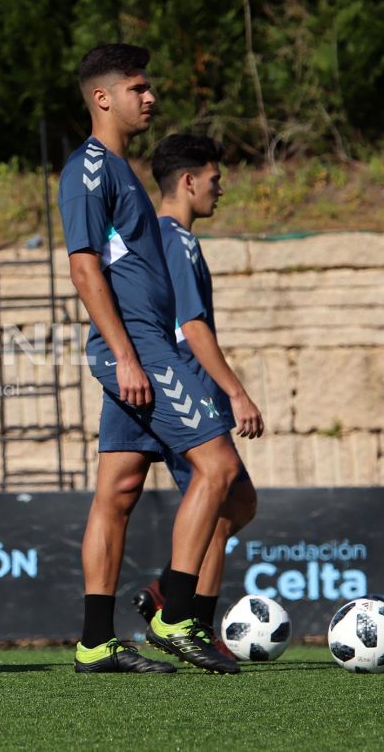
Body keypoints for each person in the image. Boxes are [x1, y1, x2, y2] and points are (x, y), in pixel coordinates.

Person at [58, 45, 242, 674]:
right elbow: (84, 271)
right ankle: (175, 614)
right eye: (138, 88)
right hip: (138, 349)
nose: (150, 97)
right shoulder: (88, 169)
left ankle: (95, 641)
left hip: (139, 347)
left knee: (119, 490)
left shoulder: (121, 171)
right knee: (217, 467)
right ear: (102, 97)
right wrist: (126, 354)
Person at [130, 134, 261, 643]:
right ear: (188, 182)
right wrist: (236, 392)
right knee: (220, 502)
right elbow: (193, 326)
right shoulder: (177, 240)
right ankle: (190, 623)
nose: (220, 189)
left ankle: (167, 593)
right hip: (188, 391)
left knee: (238, 504)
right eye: (214, 179)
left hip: (185, 385)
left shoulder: (158, 238)